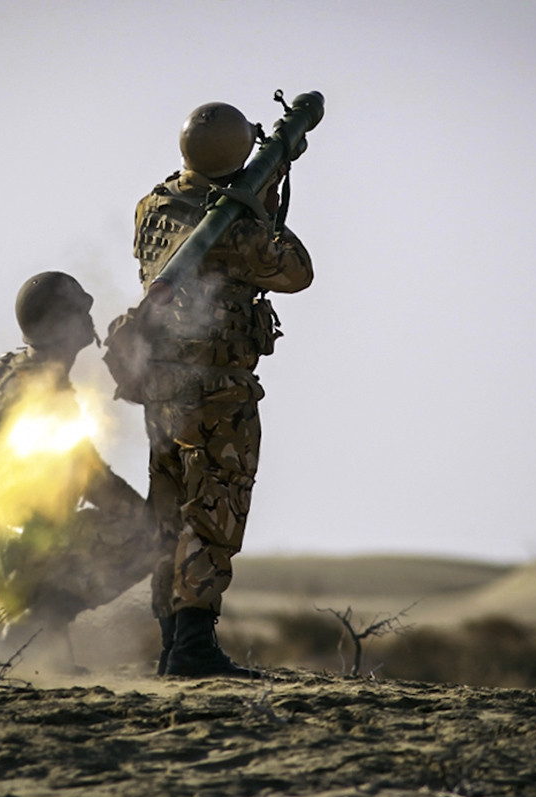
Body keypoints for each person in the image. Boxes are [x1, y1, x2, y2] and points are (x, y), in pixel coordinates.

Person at [104, 102, 313, 677]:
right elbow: (296, 271)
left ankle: (172, 645)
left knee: (168, 514)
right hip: (216, 390)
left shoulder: (154, 204)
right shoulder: (240, 230)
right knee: (213, 511)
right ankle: (193, 648)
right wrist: (264, 204)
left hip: (160, 386)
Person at [0, 271, 151, 649]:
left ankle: (45, 638)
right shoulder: (46, 394)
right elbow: (92, 480)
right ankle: (38, 623)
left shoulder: (12, 369)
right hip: (13, 545)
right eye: (79, 312)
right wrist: (150, 513)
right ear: (62, 324)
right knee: (149, 536)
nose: (89, 319)